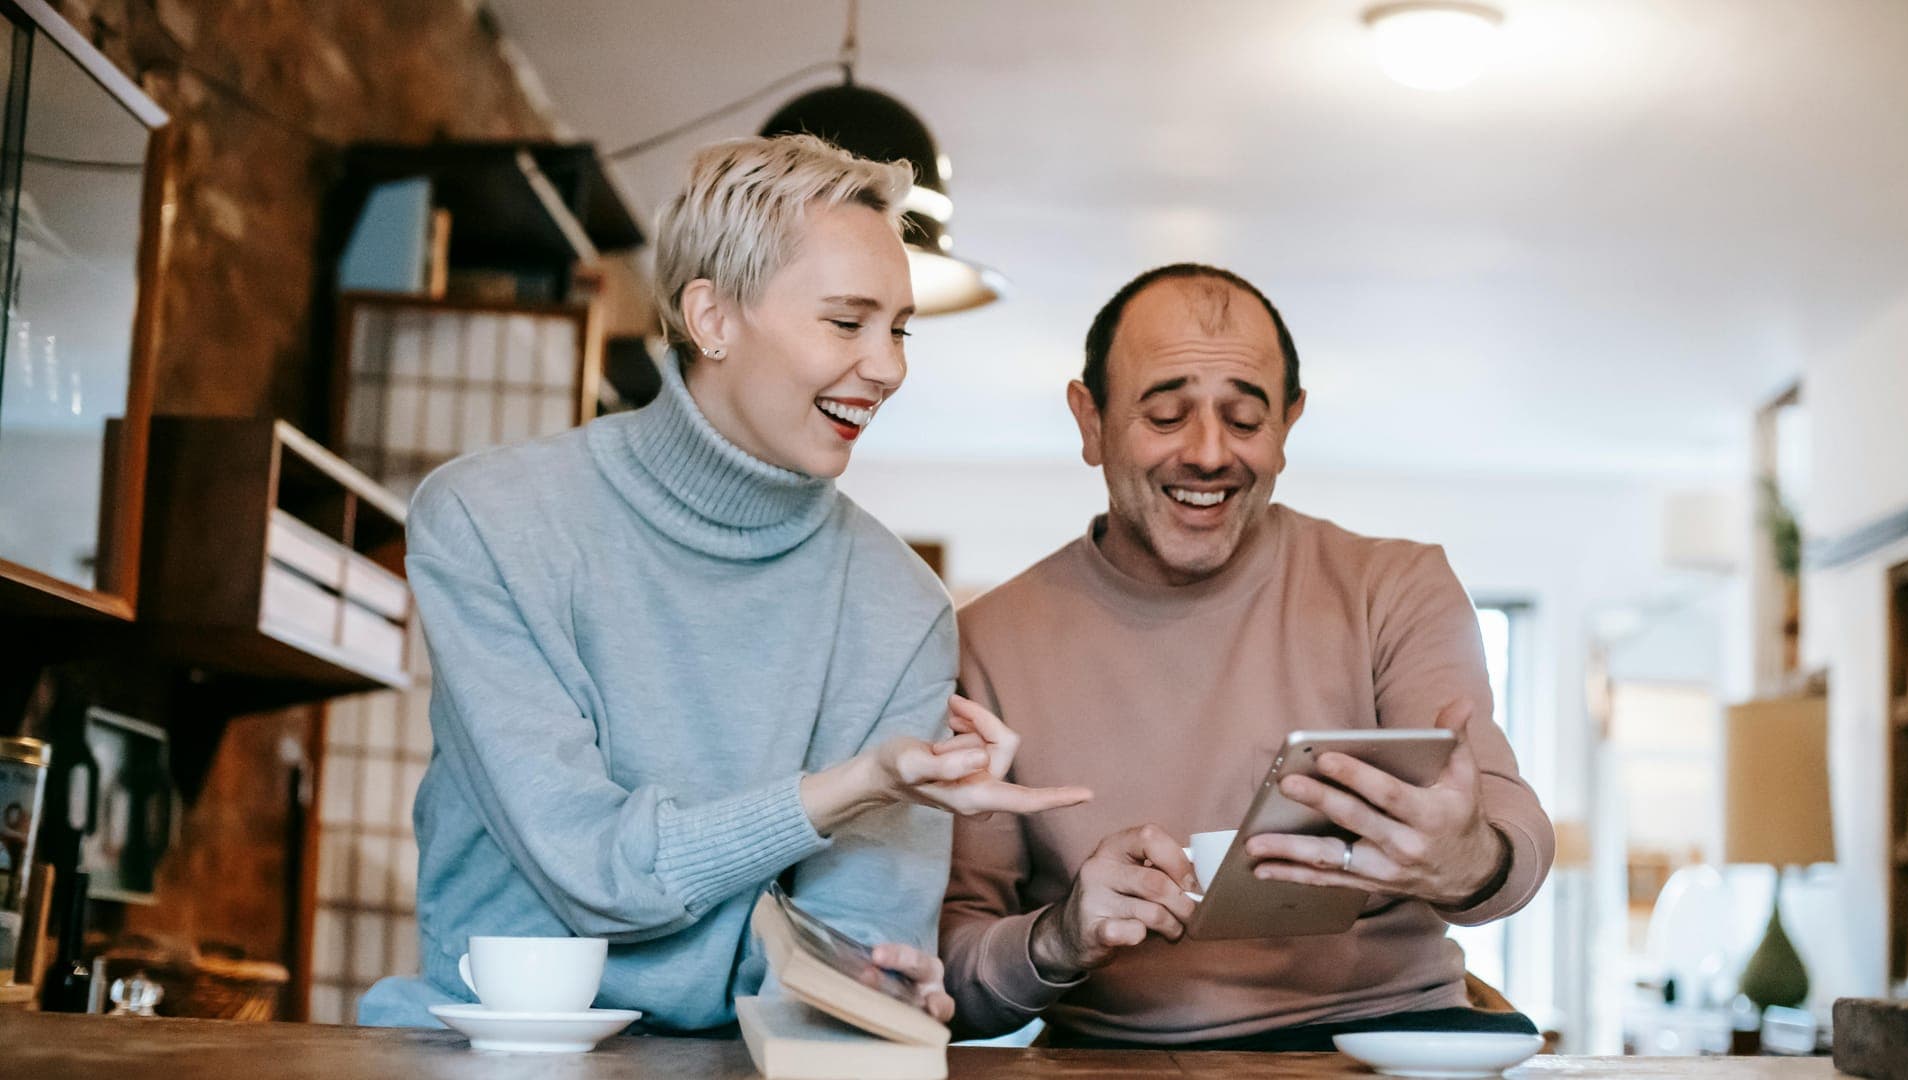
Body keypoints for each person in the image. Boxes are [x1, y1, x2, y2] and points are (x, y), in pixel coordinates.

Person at [358, 134, 1087, 1030]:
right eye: (847, 322)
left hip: (747, 1063)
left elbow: (850, 948)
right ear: (711, 319)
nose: (890, 367)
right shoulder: (490, 519)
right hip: (491, 1051)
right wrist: (855, 783)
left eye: (899, 330)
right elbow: (592, 873)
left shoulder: (899, 606)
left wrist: (876, 987)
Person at [939, 263, 1553, 1050]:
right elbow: (951, 974)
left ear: (1289, 425)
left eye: (1244, 418)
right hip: (1123, 1061)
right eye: (1165, 415)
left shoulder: (1396, 586)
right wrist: (1057, 938)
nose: (1207, 453)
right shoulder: (988, 641)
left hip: (1387, 1038)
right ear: (1089, 421)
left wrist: (1466, 858)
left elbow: (1511, 829)